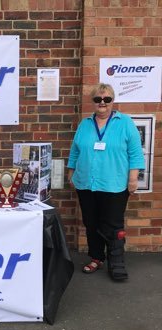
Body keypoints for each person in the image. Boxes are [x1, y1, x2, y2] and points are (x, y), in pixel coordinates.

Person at [67, 83, 145, 281]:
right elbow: (75, 150)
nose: (102, 103)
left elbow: (135, 153)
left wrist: (133, 178)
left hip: (115, 184)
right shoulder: (85, 124)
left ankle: (116, 262)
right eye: (98, 99)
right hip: (86, 183)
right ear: (93, 102)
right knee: (91, 222)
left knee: (112, 225)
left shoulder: (125, 122)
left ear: (112, 101)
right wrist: (71, 172)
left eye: (107, 99)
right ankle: (96, 257)